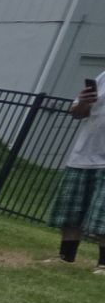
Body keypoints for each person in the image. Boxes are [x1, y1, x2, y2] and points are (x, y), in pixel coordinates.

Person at [49, 77, 105, 270]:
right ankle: (65, 257)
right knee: (71, 210)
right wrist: (83, 101)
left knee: (103, 214)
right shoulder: (103, 78)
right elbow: (77, 113)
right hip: (84, 153)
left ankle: (103, 265)